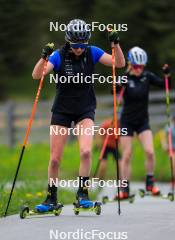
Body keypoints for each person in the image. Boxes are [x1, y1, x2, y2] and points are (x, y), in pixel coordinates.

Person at [32, 19, 125, 211]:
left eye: (82, 45)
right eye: (75, 45)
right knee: (55, 158)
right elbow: (36, 75)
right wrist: (44, 57)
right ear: (68, 41)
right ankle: (51, 198)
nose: (79, 49)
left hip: (85, 108)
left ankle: (82, 194)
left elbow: (119, 63)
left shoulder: (93, 52)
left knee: (86, 151)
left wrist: (115, 44)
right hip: (62, 110)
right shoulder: (59, 55)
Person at [118, 46, 170, 199]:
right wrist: (118, 85)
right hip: (126, 121)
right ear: (130, 64)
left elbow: (166, 85)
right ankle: (124, 189)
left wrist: (167, 76)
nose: (139, 69)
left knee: (150, 151)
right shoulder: (126, 78)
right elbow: (113, 91)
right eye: (135, 66)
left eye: (141, 66)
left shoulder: (147, 76)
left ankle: (150, 183)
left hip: (142, 121)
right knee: (127, 155)